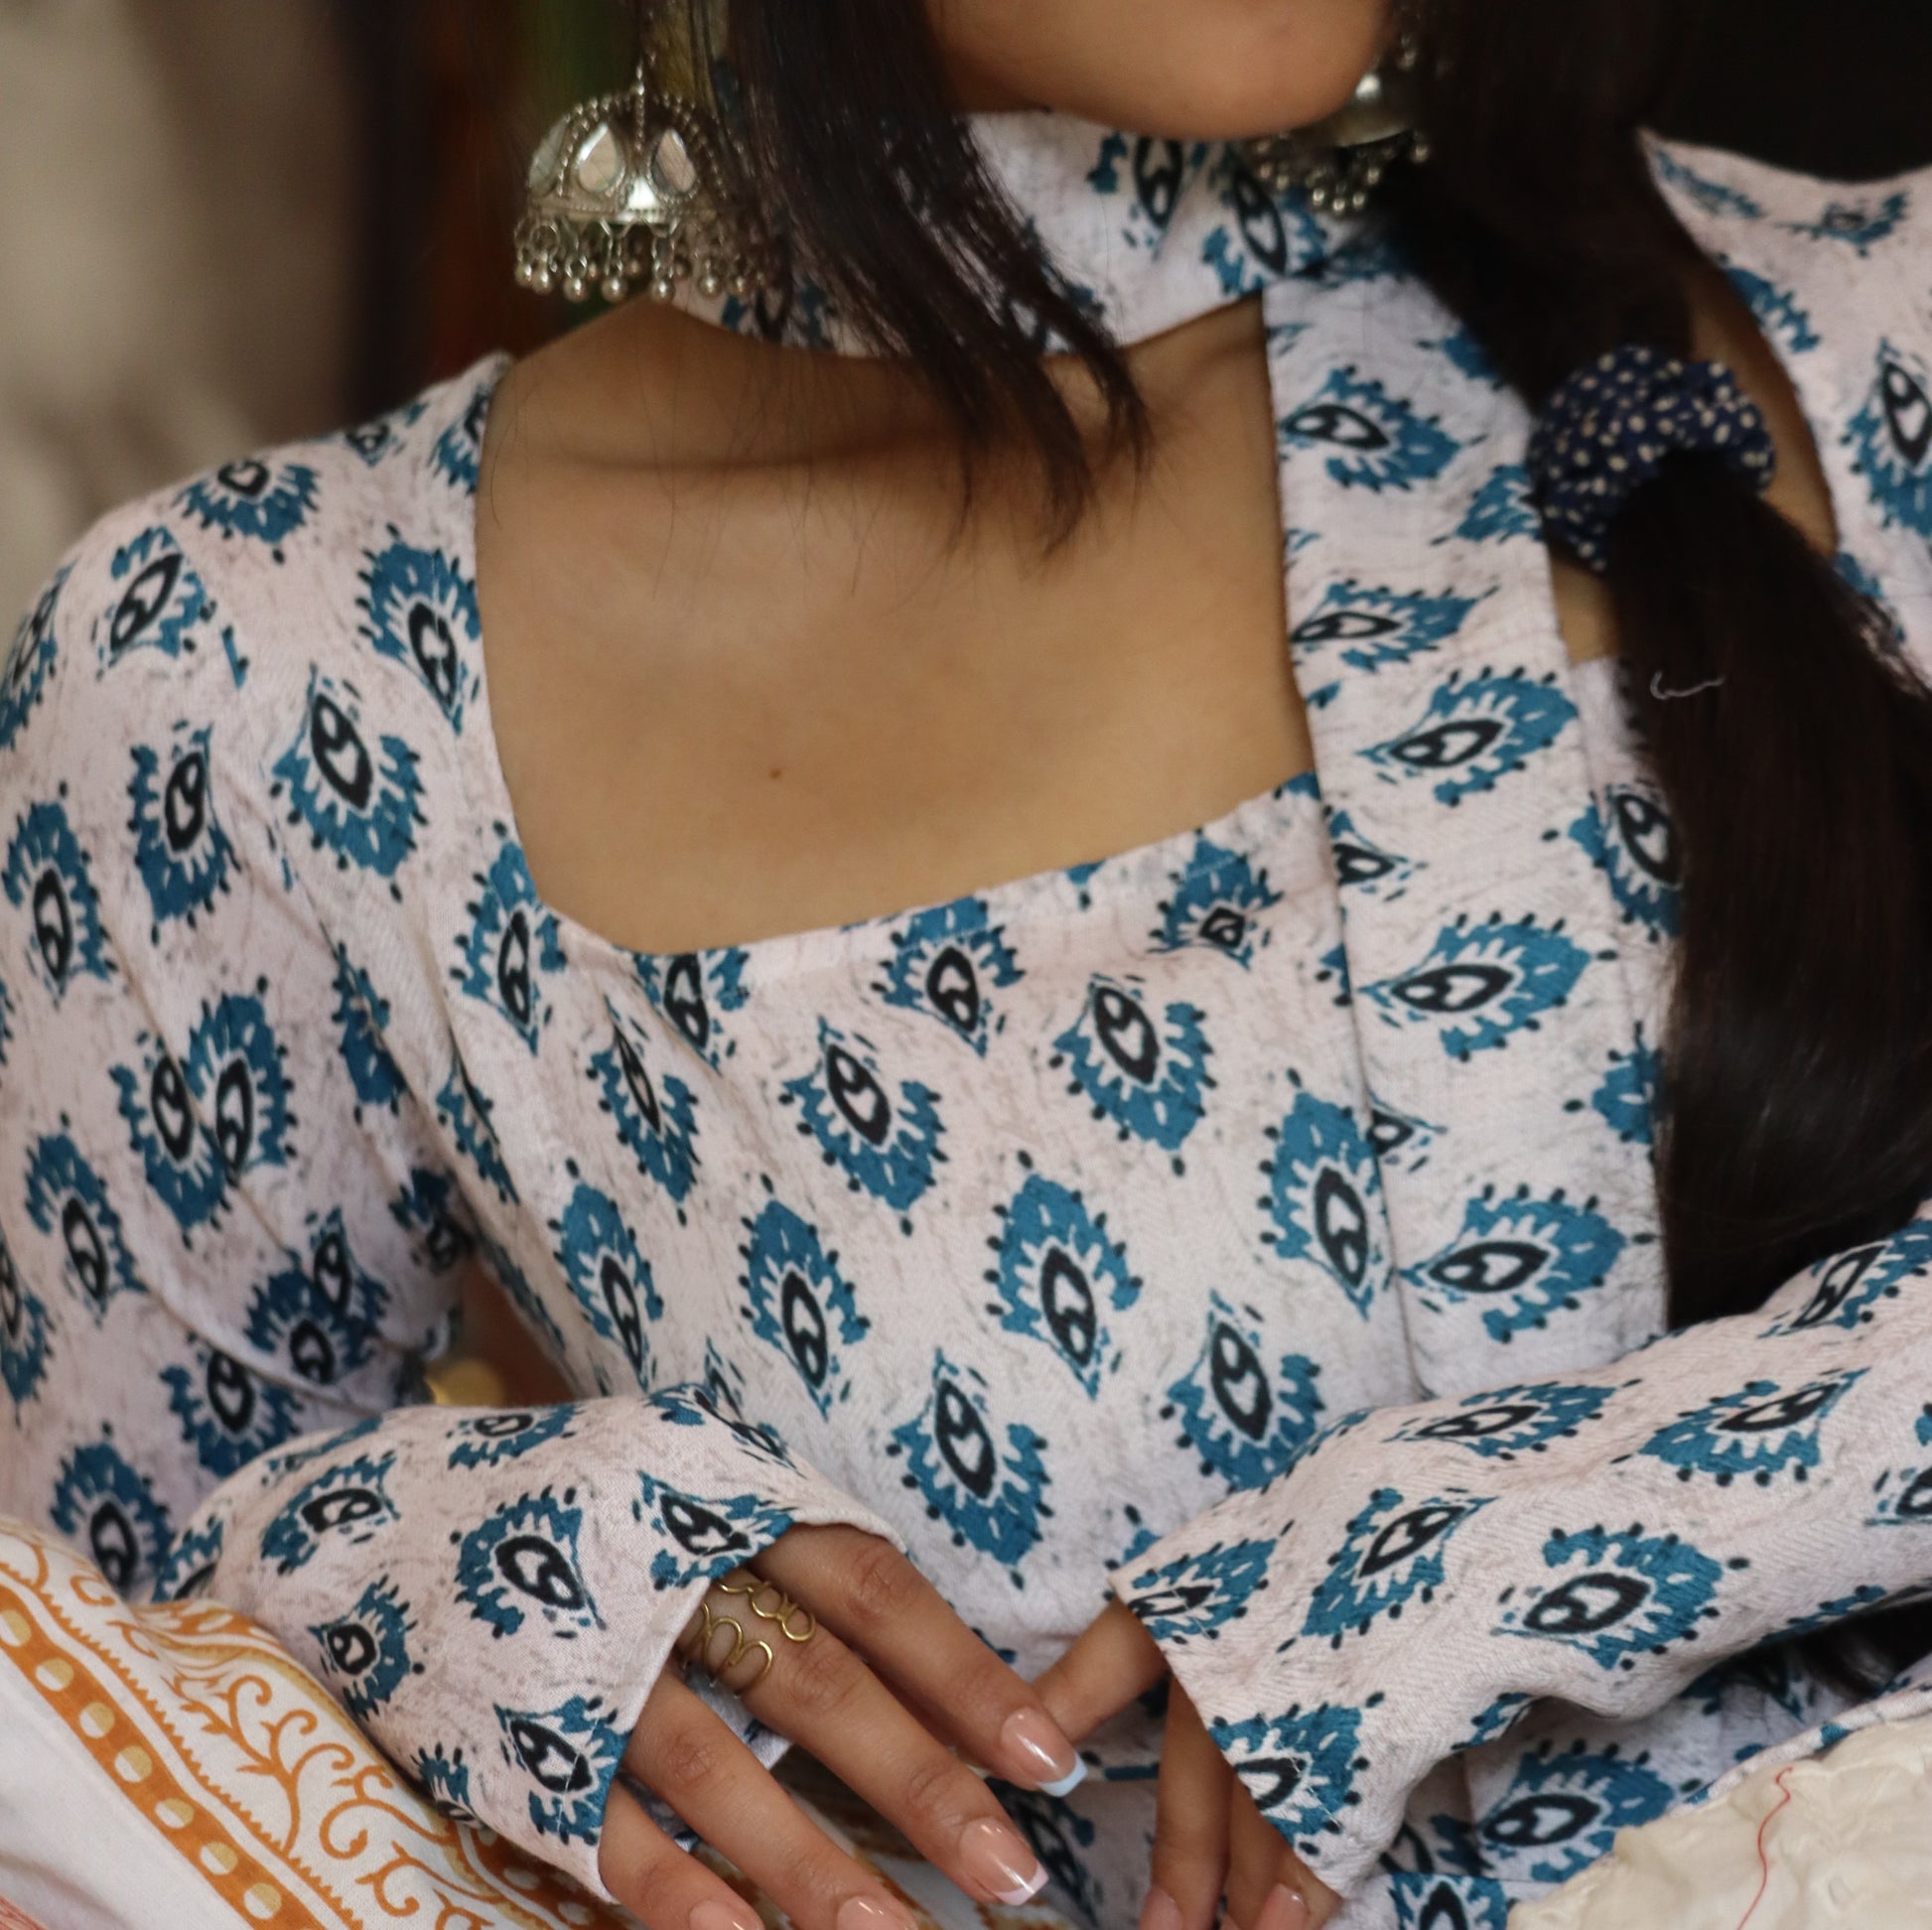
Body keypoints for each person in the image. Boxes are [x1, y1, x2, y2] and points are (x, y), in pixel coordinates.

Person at [4, 2, 1932, 1927]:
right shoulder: (255, 677)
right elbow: (76, 1704)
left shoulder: (1872, 331)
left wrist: (1513, 1536)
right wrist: (412, 1565)